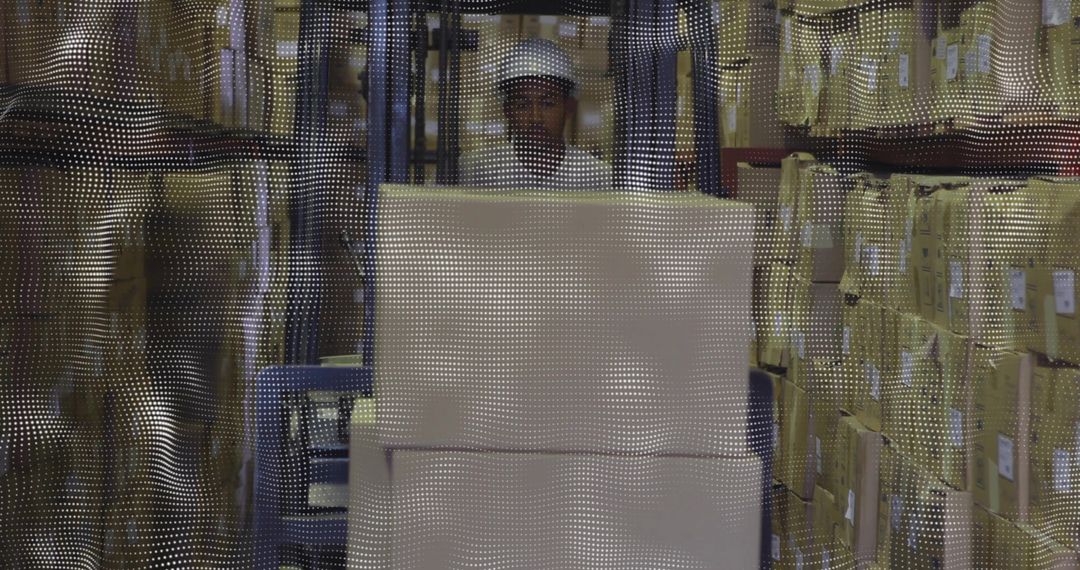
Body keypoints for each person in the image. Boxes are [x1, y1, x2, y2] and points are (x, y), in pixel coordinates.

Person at [459, 38, 613, 191]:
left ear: (569, 108)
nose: (535, 118)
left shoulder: (598, 180)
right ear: (507, 111)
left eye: (547, 104)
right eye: (522, 105)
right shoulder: (474, 173)